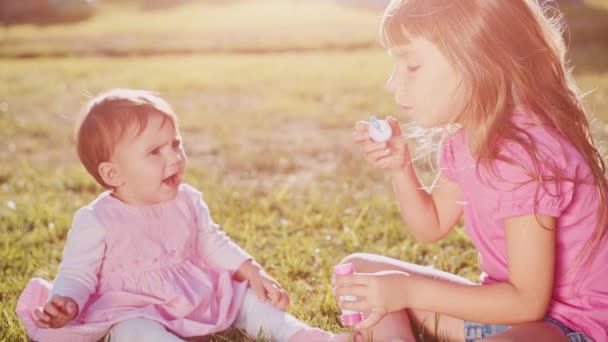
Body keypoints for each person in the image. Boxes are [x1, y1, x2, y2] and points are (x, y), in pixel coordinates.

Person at [333, 0, 607, 341]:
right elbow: (430, 225)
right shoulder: (467, 139)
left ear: (477, 63)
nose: (393, 82)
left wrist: (407, 292)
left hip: (572, 329)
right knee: (361, 273)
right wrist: (401, 167)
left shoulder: (524, 157)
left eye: (412, 65)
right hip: (503, 314)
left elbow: (528, 304)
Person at [16, 89, 348, 342]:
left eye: (175, 144)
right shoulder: (98, 220)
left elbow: (211, 241)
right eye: (154, 152)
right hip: (134, 306)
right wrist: (68, 301)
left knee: (248, 300)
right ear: (113, 174)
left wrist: (251, 270)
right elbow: (77, 273)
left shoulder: (187, 200)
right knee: (135, 332)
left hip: (196, 293)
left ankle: (299, 335)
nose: (174, 158)